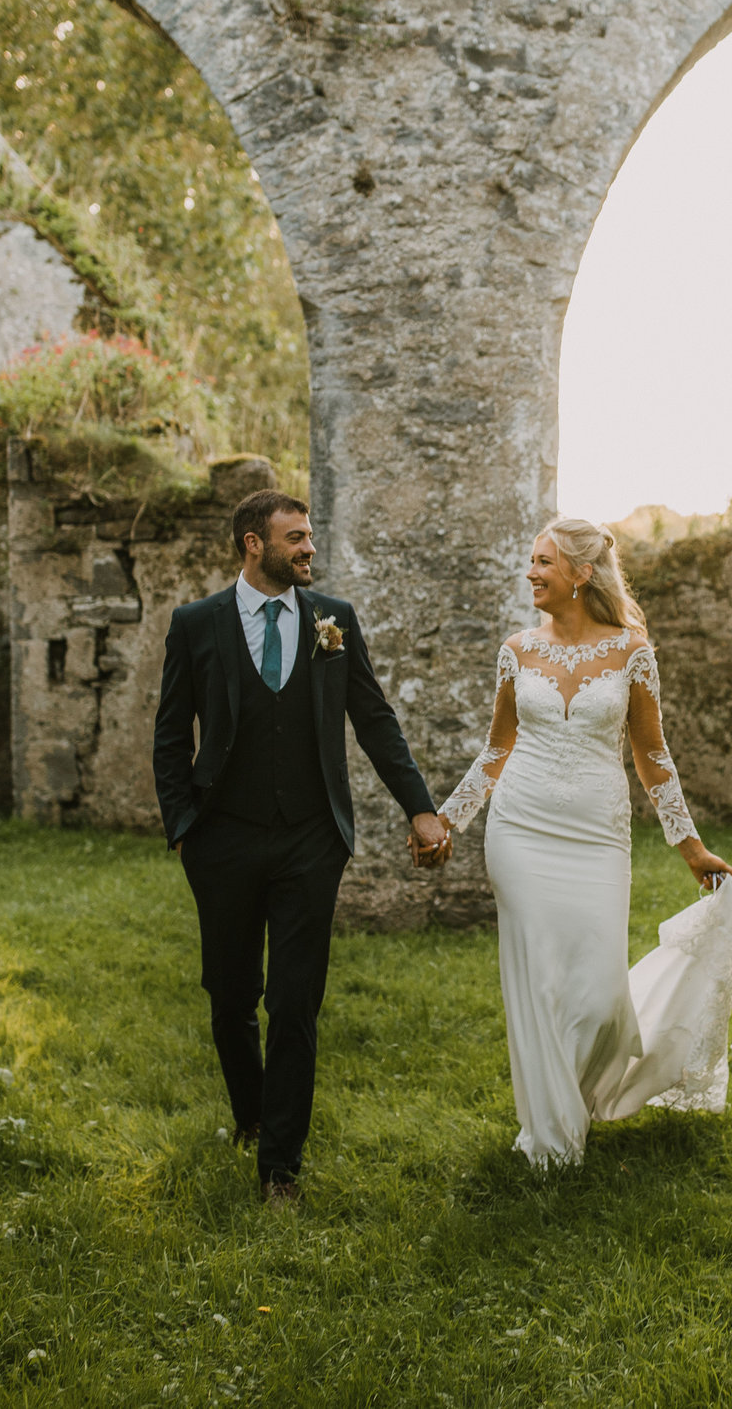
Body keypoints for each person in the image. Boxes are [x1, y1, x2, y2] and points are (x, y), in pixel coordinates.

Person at [151, 489, 455, 1207]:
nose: (309, 548)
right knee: (230, 998)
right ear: (253, 543)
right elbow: (171, 735)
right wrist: (184, 827)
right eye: (296, 537)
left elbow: (374, 718)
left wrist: (420, 808)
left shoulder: (333, 621)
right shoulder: (196, 624)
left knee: (295, 1002)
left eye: (310, 535)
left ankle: (280, 1165)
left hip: (311, 841)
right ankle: (252, 1113)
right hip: (221, 839)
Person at [427, 516, 732, 1169]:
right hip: (520, 831)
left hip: (598, 837)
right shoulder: (517, 650)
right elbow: (498, 748)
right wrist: (449, 818)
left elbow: (652, 755)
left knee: (599, 997)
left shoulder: (632, 652)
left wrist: (689, 846)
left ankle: (570, 1101)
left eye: (544, 561)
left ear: (581, 572)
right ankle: (550, 1135)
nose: (531, 572)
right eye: (531, 560)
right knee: (539, 980)